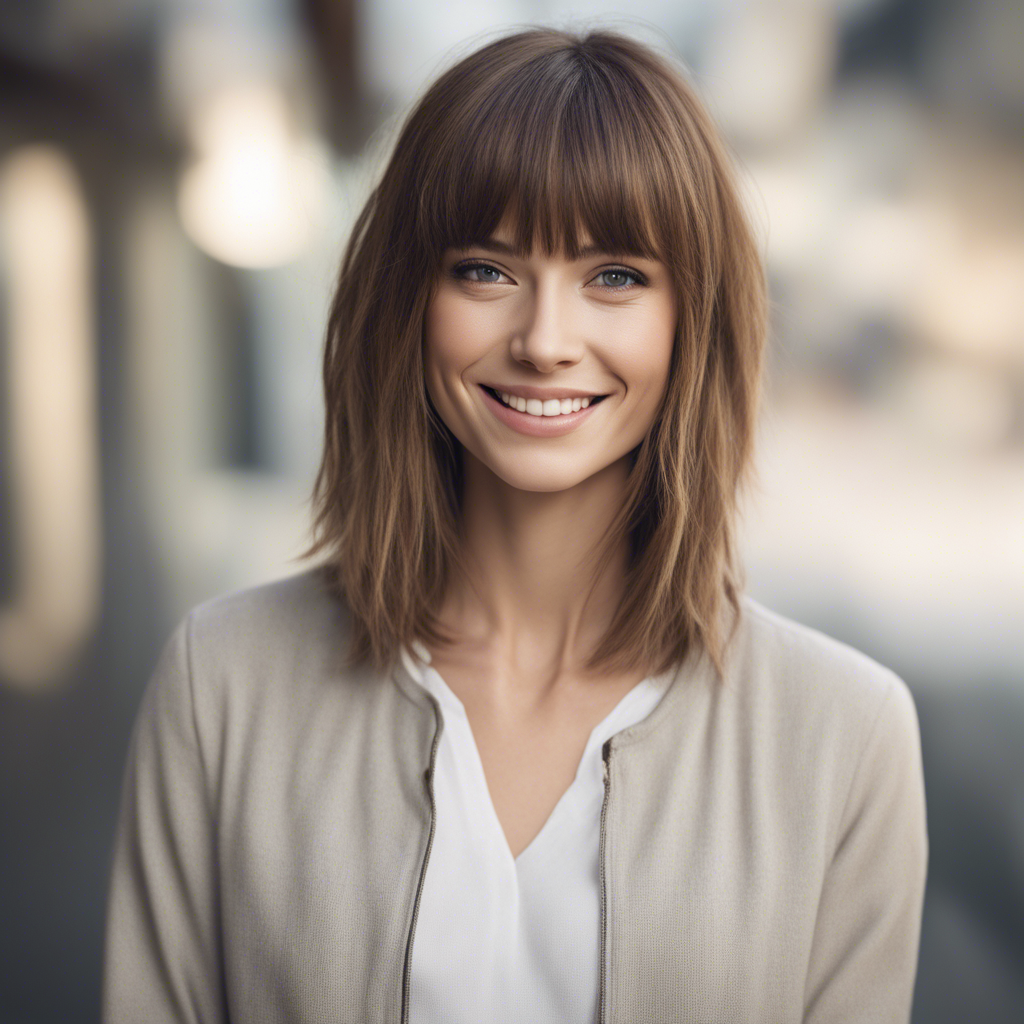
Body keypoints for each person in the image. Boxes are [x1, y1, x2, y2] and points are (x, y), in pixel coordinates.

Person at [101, 26, 928, 1024]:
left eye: (614, 276)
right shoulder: (222, 684)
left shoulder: (844, 736)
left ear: (690, 321)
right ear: (407, 299)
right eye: (485, 270)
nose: (544, 340)